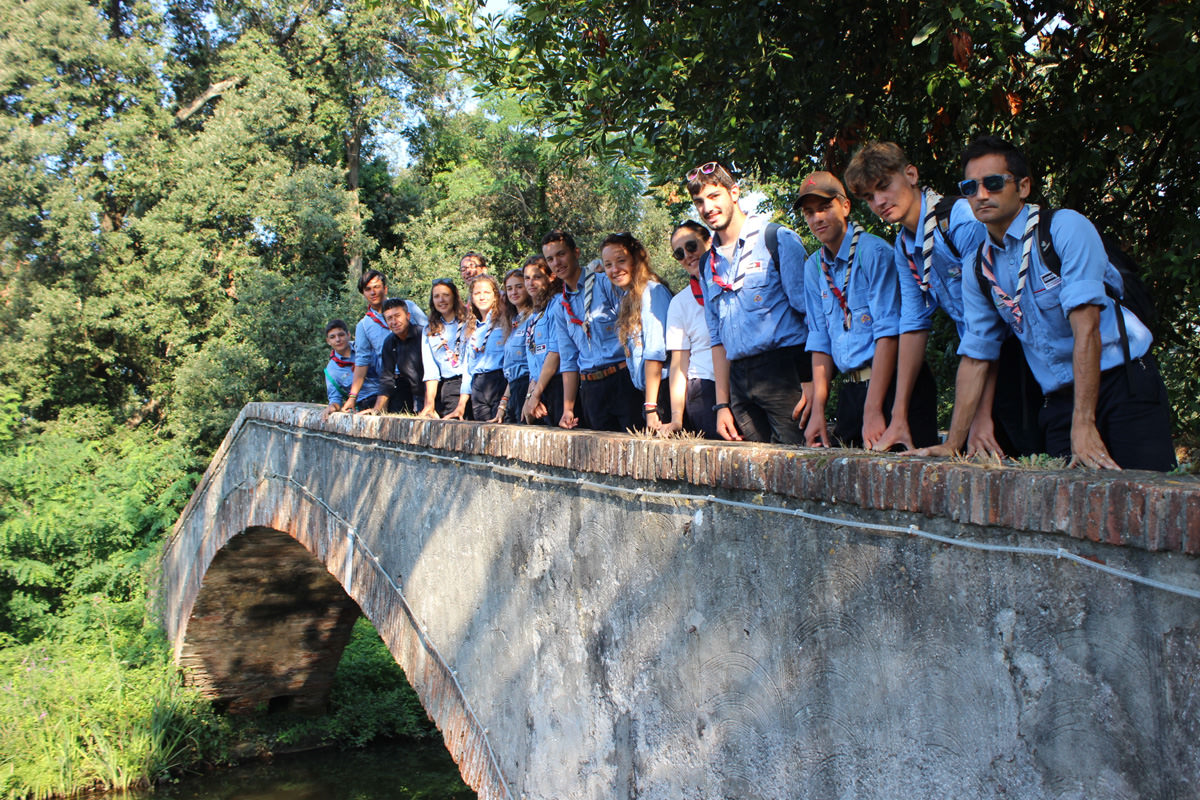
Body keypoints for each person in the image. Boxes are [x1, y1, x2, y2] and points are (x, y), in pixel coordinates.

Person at [914, 135, 1174, 471]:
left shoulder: (1064, 228)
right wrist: (953, 443)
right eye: (970, 187)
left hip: (1121, 384)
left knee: (1147, 501)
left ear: (1022, 187)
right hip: (1059, 399)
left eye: (993, 183)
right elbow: (977, 355)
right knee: (1067, 514)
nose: (981, 195)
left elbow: (1087, 330)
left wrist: (1084, 422)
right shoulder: (978, 266)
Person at [843, 140, 1040, 457]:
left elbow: (988, 325)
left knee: (1026, 456)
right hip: (978, 361)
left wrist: (980, 415)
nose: (879, 201)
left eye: (884, 186)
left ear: (911, 174)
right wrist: (898, 417)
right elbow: (913, 323)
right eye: (868, 197)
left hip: (1017, 354)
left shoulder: (960, 221)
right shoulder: (905, 246)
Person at [798, 171, 936, 448]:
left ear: (845, 206)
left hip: (893, 385)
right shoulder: (813, 267)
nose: (818, 218)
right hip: (852, 389)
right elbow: (819, 340)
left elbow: (889, 333)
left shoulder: (874, 253)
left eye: (825, 207)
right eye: (810, 213)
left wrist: (873, 411)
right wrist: (818, 411)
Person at [686, 161, 811, 443]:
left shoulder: (775, 239)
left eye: (714, 196)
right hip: (738, 379)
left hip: (783, 372)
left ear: (734, 193)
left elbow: (810, 318)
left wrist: (812, 382)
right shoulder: (708, 263)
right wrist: (722, 405)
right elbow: (716, 338)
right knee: (753, 474)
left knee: (797, 467)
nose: (707, 208)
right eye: (699, 202)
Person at [541, 230, 641, 432]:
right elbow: (569, 357)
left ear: (575, 253)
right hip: (591, 388)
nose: (557, 262)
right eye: (550, 259)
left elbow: (634, 331)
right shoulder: (561, 305)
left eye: (561, 254)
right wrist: (568, 408)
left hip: (622, 379)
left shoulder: (606, 284)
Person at [601, 233, 673, 430]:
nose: (614, 269)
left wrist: (651, 407)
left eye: (621, 261)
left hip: (662, 394)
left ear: (636, 259)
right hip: (648, 394)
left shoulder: (653, 292)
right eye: (608, 265)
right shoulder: (628, 298)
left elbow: (656, 353)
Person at [658, 221, 719, 438]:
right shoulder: (680, 303)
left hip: (741, 384)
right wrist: (676, 418)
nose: (687, 255)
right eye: (679, 253)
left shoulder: (732, 284)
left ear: (709, 242)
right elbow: (678, 363)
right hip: (704, 389)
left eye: (691, 246)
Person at [342, 269, 427, 413]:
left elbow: (430, 333)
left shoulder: (407, 307)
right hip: (395, 381)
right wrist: (352, 397)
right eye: (368, 289)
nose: (373, 292)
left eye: (376, 287)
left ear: (385, 288)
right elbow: (362, 362)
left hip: (423, 375)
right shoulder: (364, 325)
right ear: (364, 293)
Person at [419, 278, 474, 420]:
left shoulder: (470, 322)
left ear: (454, 297)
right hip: (451, 387)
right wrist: (429, 404)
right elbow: (431, 371)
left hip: (475, 384)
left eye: (446, 295)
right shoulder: (429, 330)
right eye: (436, 296)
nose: (441, 300)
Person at [521, 256, 567, 425]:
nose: (530, 283)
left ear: (551, 277)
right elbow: (534, 362)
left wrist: (536, 394)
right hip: (539, 387)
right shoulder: (534, 313)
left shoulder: (557, 304)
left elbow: (555, 353)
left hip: (557, 384)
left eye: (537, 277)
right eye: (527, 278)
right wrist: (529, 397)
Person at [361, 298, 424, 415]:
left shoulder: (423, 335)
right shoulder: (390, 342)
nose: (394, 322)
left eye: (397, 316)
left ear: (408, 316)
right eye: (389, 318)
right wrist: (377, 409)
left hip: (437, 393)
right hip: (416, 395)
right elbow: (386, 378)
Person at [463, 274, 510, 422]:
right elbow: (468, 366)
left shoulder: (504, 321)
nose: (482, 297)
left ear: (495, 296)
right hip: (478, 384)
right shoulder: (471, 327)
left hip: (498, 380)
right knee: (481, 431)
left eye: (486, 292)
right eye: (477, 293)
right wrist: (463, 399)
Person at [499, 264, 535, 424]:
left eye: (519, 287)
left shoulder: (533, 317)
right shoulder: (512, 322)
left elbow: (534, 365)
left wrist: (530, 396)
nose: (514, 292)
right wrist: (503, 403)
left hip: (528, 386)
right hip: (513, 388)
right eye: (509, 288)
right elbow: (511, 371)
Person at [321, 319, 375, 417]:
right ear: (328, 341)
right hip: (364, 403)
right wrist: (332, 406)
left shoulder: (364, 348)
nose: (338, 340)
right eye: (332, 337)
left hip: (385, 394)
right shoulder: (331, 370)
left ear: (348, 335)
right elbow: (335, 399)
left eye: (341, 335)